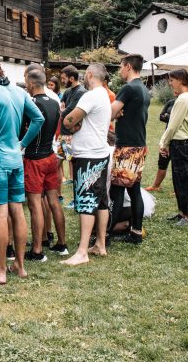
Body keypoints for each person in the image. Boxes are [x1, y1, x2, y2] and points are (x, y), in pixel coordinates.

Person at [0, 55, 43, 284]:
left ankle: (0, 271)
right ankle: (20, 266)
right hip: (15, 160)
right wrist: (22, 144)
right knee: (18, 211)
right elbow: (38, 119)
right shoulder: (19, 91)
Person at [61, 63, 112, 266]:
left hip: (89, 154)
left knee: (86, 201)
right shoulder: (104, 95)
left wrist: (67, 118)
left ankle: (82, 252)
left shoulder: (90, 96)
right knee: (101, 200)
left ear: (89, 74)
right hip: (100, 151)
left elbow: (69, 120)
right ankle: (100, 244)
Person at [22, 68, 67, 261]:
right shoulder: (55, 102)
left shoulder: (32, 104)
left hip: (35, 158)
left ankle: (38, 250)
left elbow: (22, 129)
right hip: (50, 156)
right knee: (54, 201)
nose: (25, 86)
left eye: (26, 82)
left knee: (34, 205)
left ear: (31, 84)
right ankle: (62, 244)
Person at [109, 54, 151, 245]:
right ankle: (135, 232)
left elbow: (109, 112)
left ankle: (105, 234)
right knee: (134, 191)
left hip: (126, 146)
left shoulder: (128, 88)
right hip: (139, 144)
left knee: (117, 192)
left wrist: (116, 113)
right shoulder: (143, 89)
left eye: (120, 66)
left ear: (127, 66)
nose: (119, 70)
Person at [158, 69, 188, 225]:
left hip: (181, 143)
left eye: (172, 80)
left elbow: (173, 124)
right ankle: (183, 212)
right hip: (180, 143)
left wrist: (163, 143)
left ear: (181, 80)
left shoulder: (183, 99)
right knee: (178, 178)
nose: (170, 83)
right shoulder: (185, 97)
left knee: (183, 178)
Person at [57, 65, 87, 210]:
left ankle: (78, 199)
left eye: (64, 79)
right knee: (56, 165)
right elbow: (61, 108)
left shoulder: (81, 92)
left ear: (72, 78)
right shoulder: (68, 91)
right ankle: (58, 196)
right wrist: (63, 111)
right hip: (63, 136)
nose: (62, 81)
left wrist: (63, 111)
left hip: (73, 136)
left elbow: (68, 112)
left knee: (76, 169)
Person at [145, 96, 175, 192]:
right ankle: (156, 185)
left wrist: (168, 116)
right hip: (167, 136)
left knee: (177, 165)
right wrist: (170, 117)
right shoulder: (171, 102)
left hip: (179, 138)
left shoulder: (184, 101)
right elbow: (161, 116)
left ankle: (178, 189)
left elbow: (177, 120)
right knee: (162, 160)